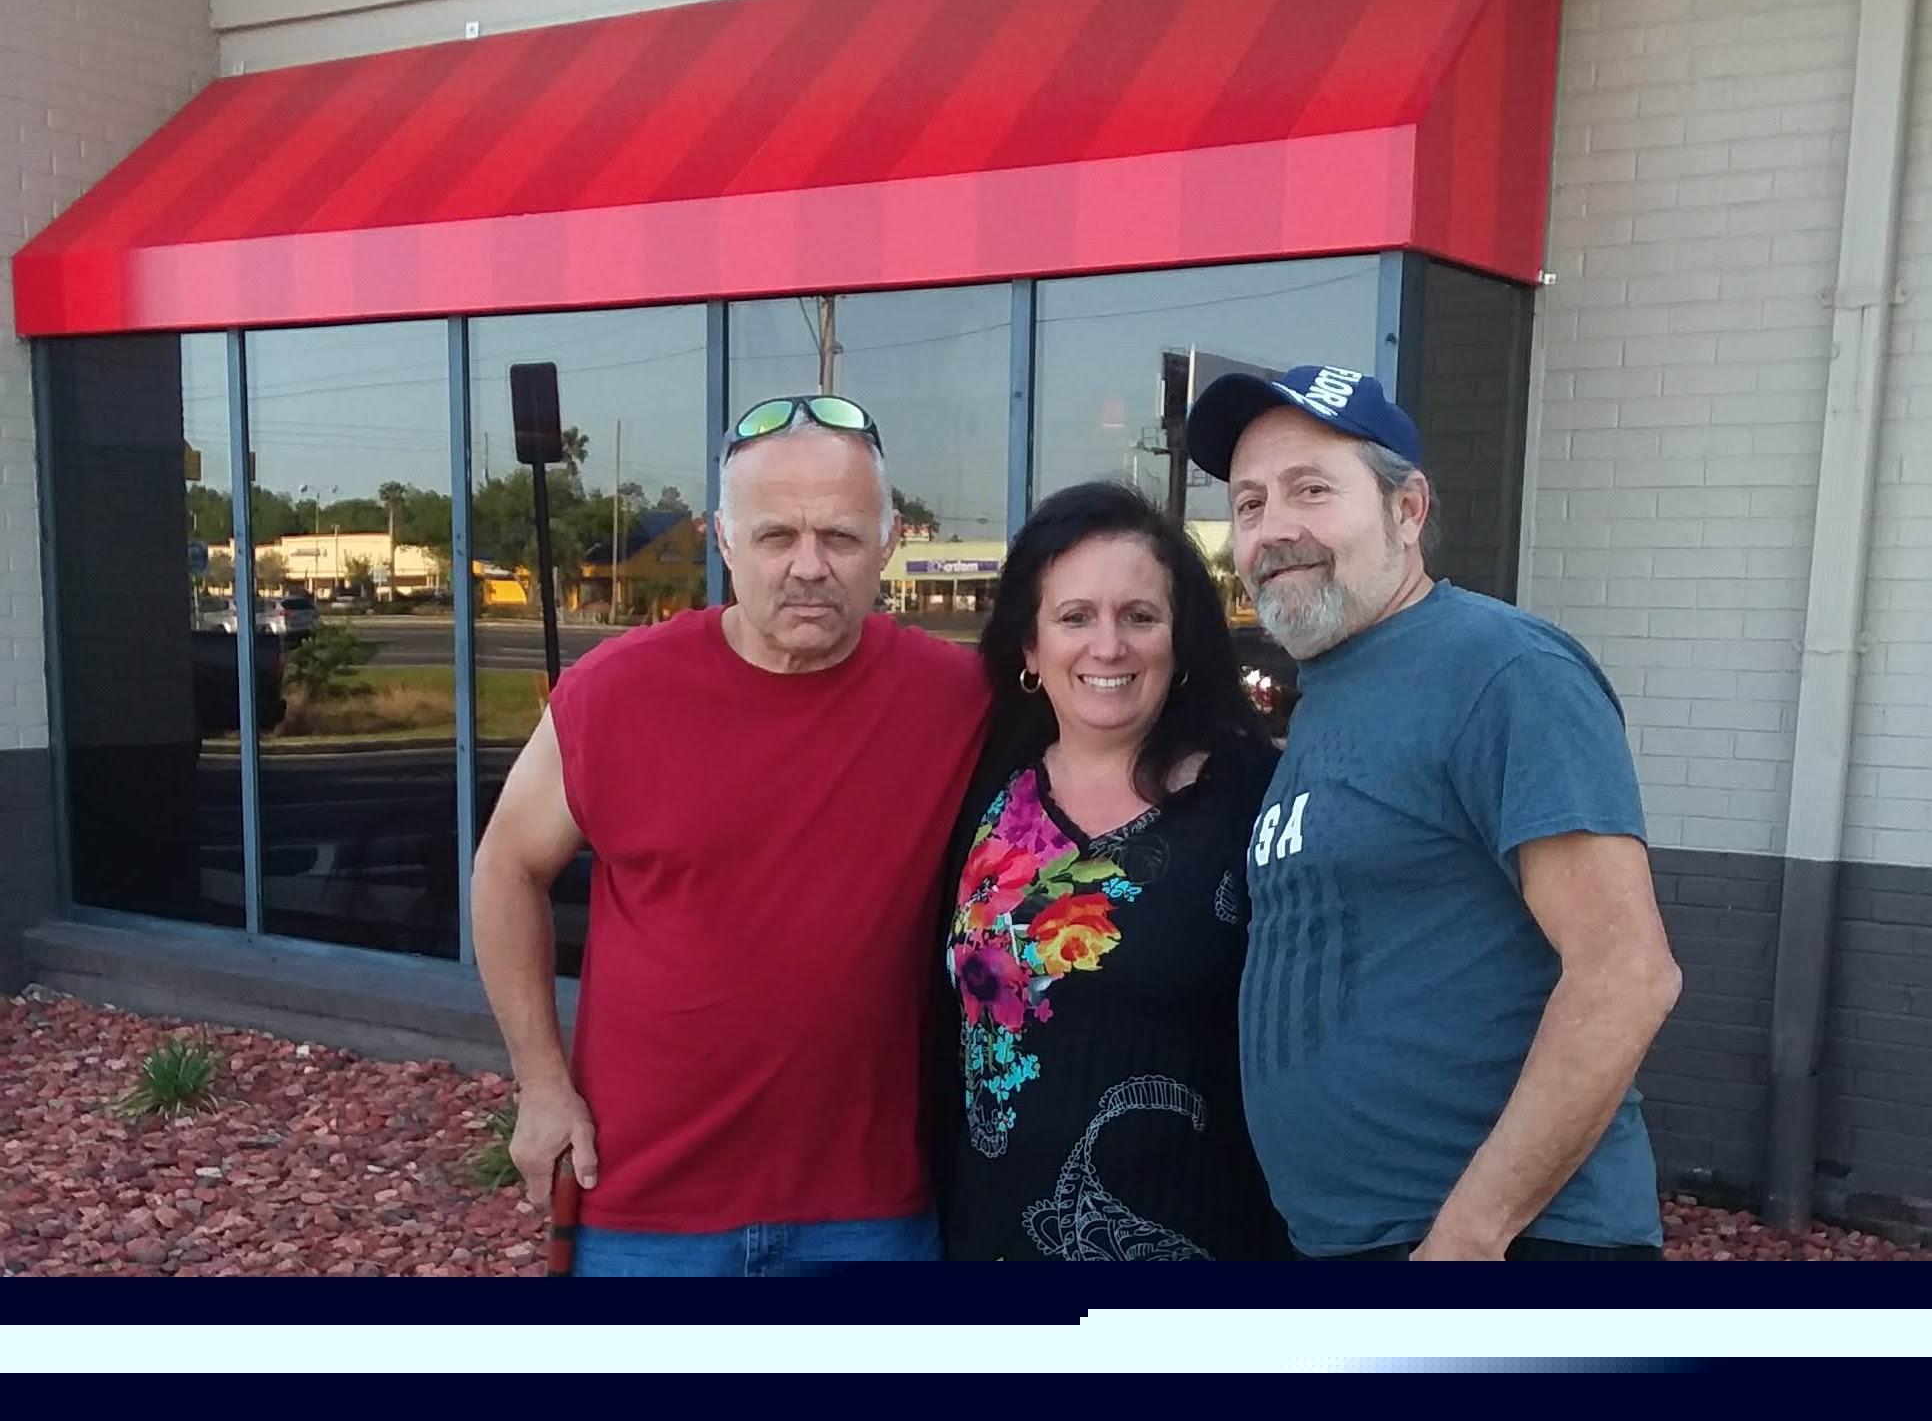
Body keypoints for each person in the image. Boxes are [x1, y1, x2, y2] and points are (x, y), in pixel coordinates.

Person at [470, 393, 989, 1275]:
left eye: (842, 537)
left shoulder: (957, 699)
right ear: (723, 540)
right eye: (777, 537)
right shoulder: (617, 695)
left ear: (891, 541)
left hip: (869, 1211)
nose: (810, 566)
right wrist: (541, 1084)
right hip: (644, 1208)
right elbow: (507, 866)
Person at [1183, 362, 1683, 1262]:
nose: (1273, 529)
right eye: (1251, 503)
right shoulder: (1335, 688)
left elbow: (1625, 974)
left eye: (1312, 490)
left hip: (1505, 1249)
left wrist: (1466, 1241)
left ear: (1407, 512)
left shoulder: (1501, 670)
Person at [937, 481, 1289, 1262]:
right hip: (990, 1246)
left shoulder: (1255, 802)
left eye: (1139, 616)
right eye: (1074, 617)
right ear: (1031, 648)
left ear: (1179, 639)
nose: (1108, 646)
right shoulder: (986, 792)